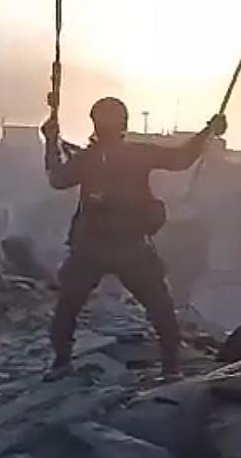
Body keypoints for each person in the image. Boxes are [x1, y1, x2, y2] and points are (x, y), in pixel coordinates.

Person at [40, 97, 226, 382]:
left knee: (70, 306)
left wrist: (51, 142)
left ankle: (61, 362)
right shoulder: (133, 154)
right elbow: (181, 159)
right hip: (125, 245)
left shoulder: (91, 159)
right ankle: (171, 367)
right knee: (159, 307)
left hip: (99, 245)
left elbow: (57, 177)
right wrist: (207, 132)